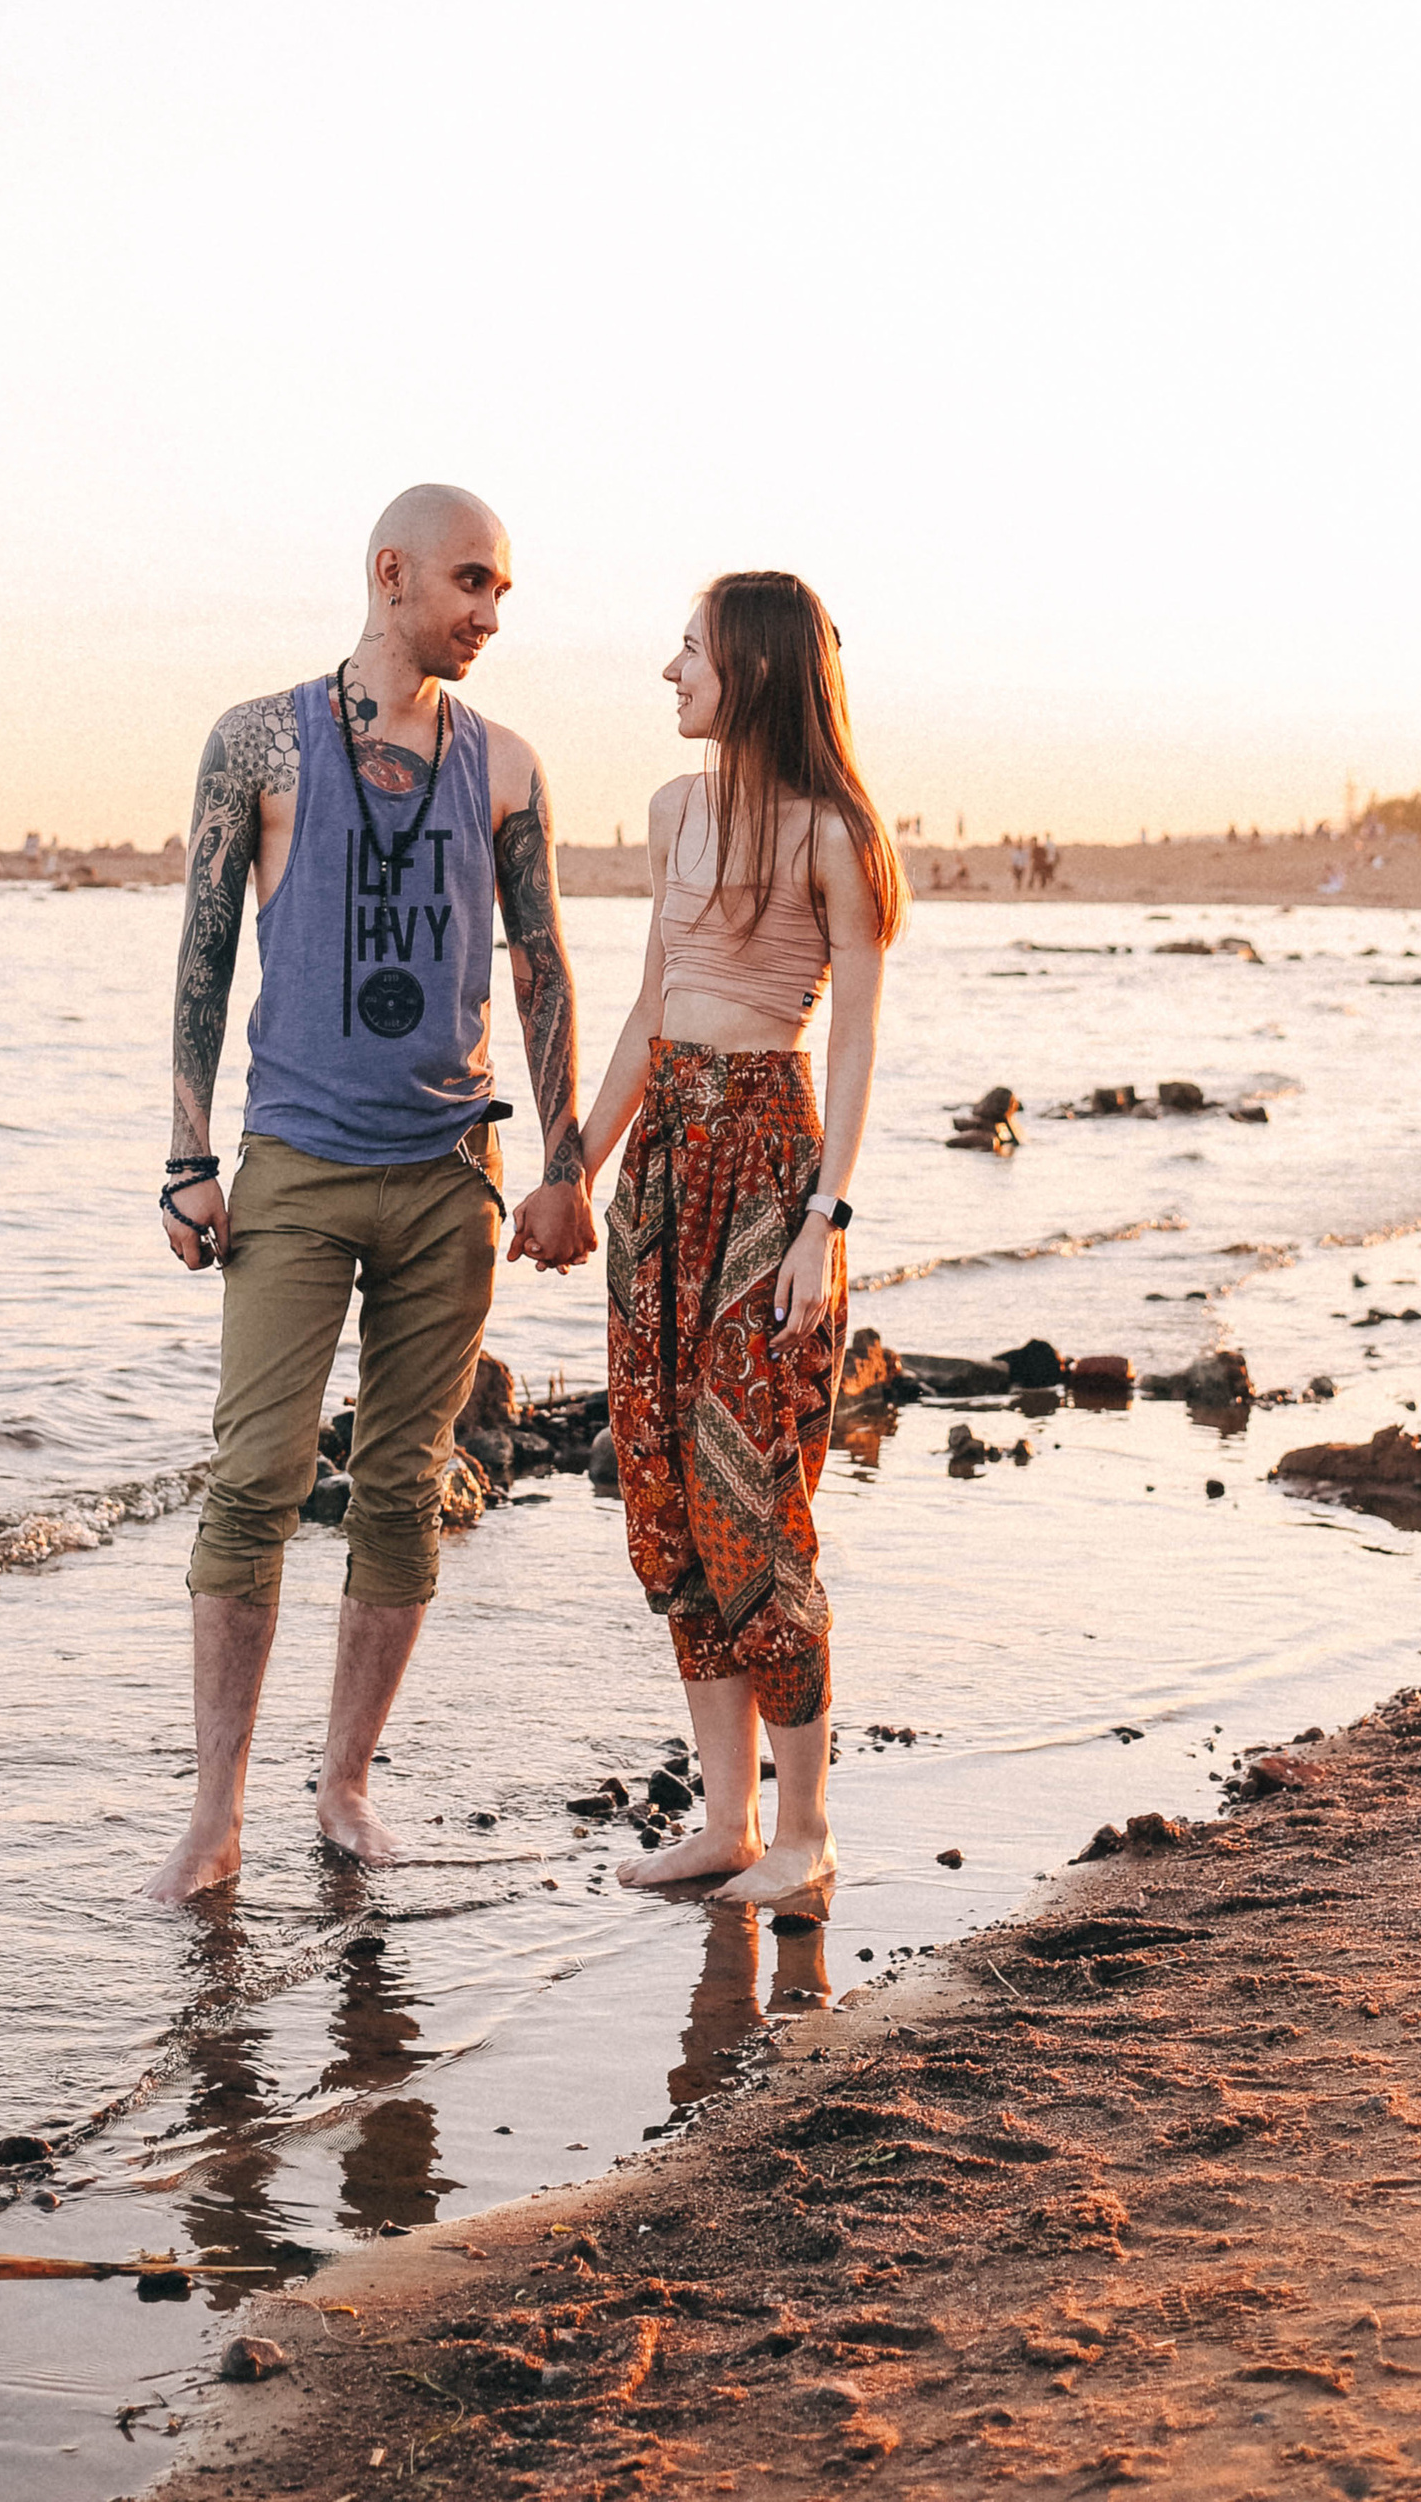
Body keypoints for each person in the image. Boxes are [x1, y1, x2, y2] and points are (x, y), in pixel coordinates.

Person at [141, 483, 597, 1903]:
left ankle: (342, 1788)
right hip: (294, 1168)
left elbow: (542, 969)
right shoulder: (261, 741)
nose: (492, 613)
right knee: (255, 1480)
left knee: (402, 1488)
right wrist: (185, 1155)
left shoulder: (508, 766)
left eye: (504, 590)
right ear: (390, 573)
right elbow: (206, 948)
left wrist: (570, 1166)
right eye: (473, 583)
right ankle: (214, 1816)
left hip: (454, 1175)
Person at [577, 570, 906, 1912]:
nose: (669, 671)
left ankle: (807, 1833)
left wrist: (822, 1226)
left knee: (755, 1504)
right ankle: (726, 1823)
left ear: (754, 670)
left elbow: (858, 1036)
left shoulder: (838, 834)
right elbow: (653, 1005)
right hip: (661, 1168)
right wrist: (568, 1171)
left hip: (770, 1163)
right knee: (662, 1497)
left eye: (690, 650)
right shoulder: (670, 815)